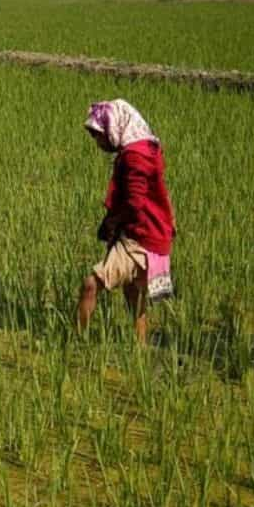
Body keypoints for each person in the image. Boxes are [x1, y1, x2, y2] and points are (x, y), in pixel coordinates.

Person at [76, 100, 176, 344]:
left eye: (100, 137)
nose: (99, 144)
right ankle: (140, 351)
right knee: (133, 293)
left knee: (91, 284)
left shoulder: (134, 157)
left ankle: (75, 342)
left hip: (140, 236)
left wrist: (111, 224)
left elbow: (135, 203)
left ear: (115, 127)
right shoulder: (146, 147)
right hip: (153, 233)